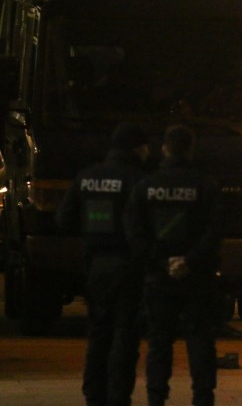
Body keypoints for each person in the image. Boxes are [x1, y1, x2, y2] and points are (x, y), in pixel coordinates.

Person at [124, 125, 221, 406]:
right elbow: (214, 232)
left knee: (159, 341)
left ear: (164, 149)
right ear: (190, 149)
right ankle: (203, 398)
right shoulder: (205, 185)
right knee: (201, 340)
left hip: (159, 277)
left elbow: (135, 232)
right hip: (197, 276)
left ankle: (156, 398)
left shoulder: (146, 186)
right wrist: (189, 261)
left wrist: (162, 261)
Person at [56, 122, 150, 406]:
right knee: (125, 333)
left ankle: (94, 394)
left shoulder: (86, 177)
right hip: (128, 266)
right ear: (137, 148)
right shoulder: (137, 180)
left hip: (96, 265)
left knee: (98, 331)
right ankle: (118, 396)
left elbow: (63, 221)